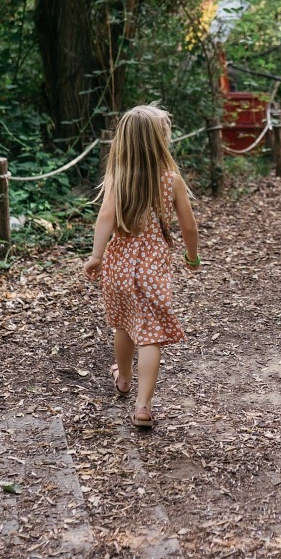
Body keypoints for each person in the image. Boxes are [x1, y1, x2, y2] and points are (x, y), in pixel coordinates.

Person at [83, 104, 200, 429]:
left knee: (123, 324)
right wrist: (192, 257)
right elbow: (189, 227)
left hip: (119, 265)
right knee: (150, 335)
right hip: (152, 268)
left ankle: (123, 378)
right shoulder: (171, 180)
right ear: (160, 140)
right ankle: (143, 406)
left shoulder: (118, 178)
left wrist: (96, 256)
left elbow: (105, 217)